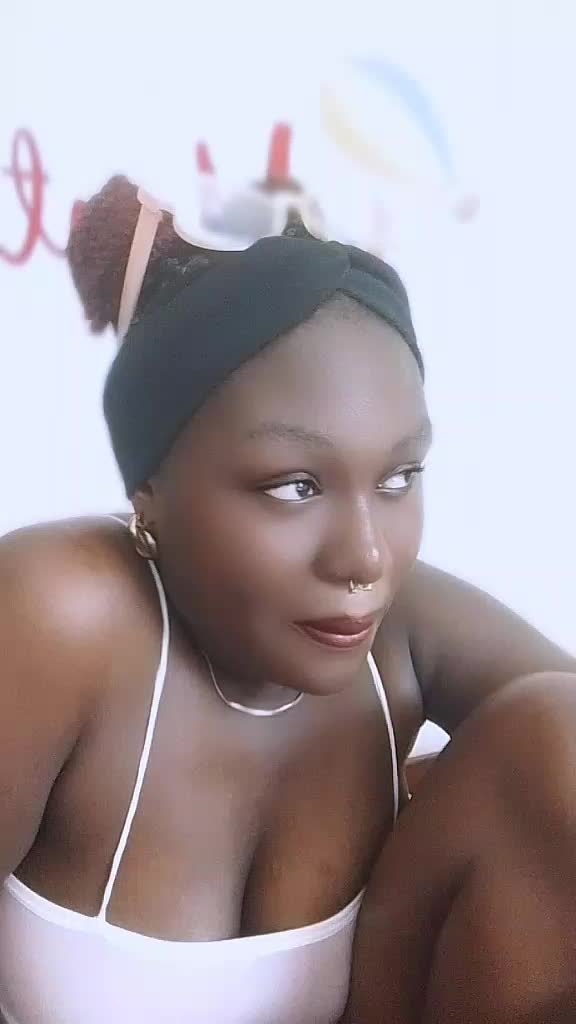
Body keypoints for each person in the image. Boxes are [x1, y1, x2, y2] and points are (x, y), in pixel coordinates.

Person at [0, 173, 574, 1024]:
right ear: (148, 493)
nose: (365, 556)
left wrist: (438, 795)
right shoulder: (61, 614)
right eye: (295, 486)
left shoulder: (404, 627)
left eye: (399, 477)